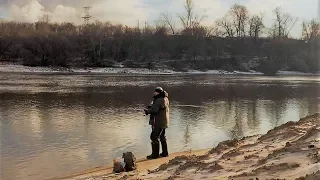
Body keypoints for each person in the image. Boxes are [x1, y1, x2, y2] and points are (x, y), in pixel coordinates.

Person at [144, 87, 170, 159]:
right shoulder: (165, 98)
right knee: (162, 137)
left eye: (155, 92)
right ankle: (165, 153)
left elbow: (155, 110)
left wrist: (147, 111)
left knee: (154, 137)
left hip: (158, 122)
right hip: (164, 122)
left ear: (158, 93)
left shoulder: (159, 100)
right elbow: (158, 107)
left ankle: (155, 155)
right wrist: (150, 107)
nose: (154, 93)